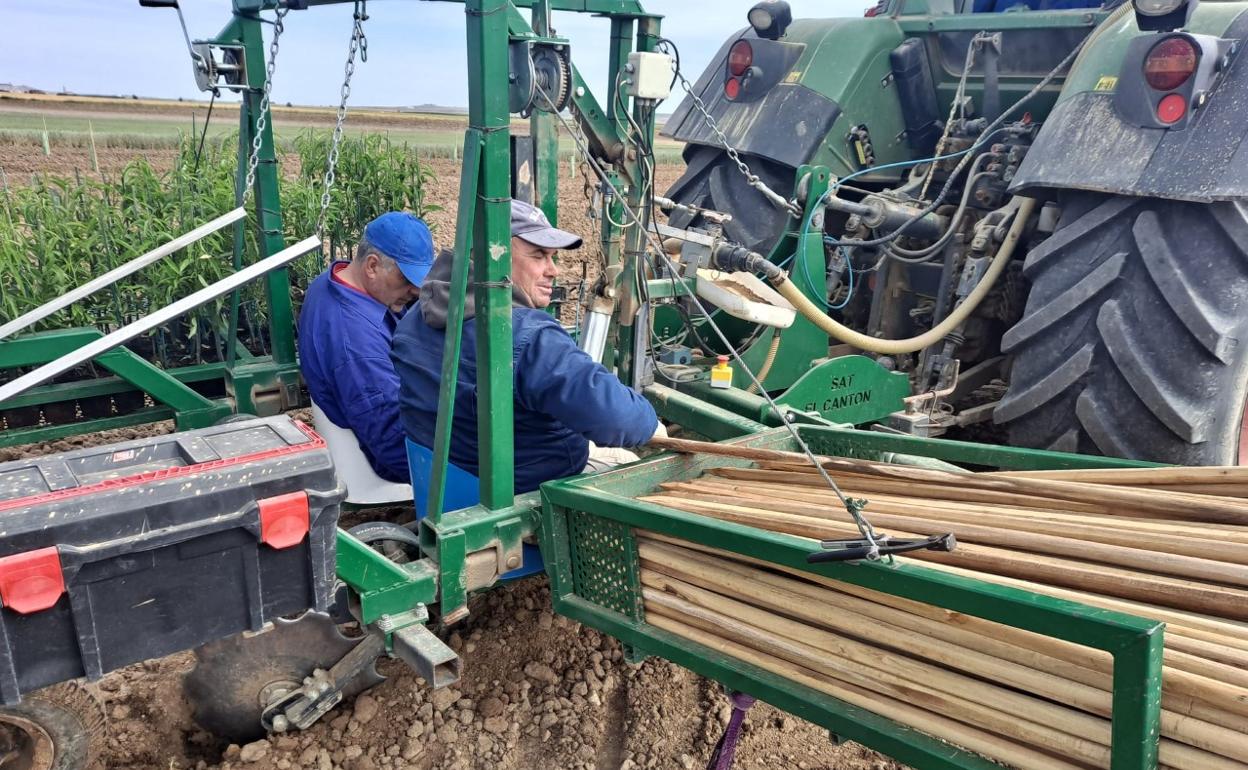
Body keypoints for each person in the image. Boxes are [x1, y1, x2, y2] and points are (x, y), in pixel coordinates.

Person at [392, 200, 660, 494]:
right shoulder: (528, 338)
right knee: (639, 469)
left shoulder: (414, 318)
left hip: (448, 491)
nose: (553, 270)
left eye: (553, 257)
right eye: (539, 256)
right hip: (532, 501)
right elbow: (616, 417)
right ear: (491, 256)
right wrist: (650, 422)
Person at [299, 211, 435, 483]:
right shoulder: (356, 345)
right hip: (389, 457)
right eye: (407, 280)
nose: (416, 291)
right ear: (372, 265)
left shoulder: (334, 282)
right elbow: (392, 442)